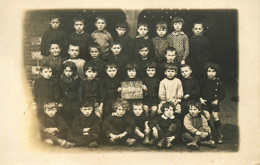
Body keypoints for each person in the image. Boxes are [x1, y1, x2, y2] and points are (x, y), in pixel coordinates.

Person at [200, 62, 225, 144]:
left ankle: (219, 134)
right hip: (205, 102)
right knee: (207, 116)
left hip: (214, 102)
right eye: (209, 71)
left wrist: (217, 100)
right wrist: (200, 98)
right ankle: (209, 134)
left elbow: (222, 94)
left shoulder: (218, 82)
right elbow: (198, 91)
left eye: (213, 71)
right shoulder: (203, 81)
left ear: (216, 72)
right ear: (206, 72)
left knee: (215, 115)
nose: (211, 73)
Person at [58, 61, 81, 126]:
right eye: (66, 71)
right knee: (64, 110)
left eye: (70, 71)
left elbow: (79, 92)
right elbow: (58, 91)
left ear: (73, 71)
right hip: (64, 100)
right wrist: (60, 101)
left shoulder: (77, 80)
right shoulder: (60, 79)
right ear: (63, 71)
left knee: (75, 110)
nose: (68, 73)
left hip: (74, 99)